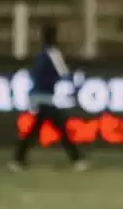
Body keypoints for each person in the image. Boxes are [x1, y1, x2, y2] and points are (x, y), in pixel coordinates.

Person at [10, 24, 87, 172]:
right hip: (45, 97)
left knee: (37, 128)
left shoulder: (41, 54)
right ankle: (77, 158)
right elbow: (64, 73)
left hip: (38, 96)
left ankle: (18, 159)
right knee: (59, 127)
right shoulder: (54, 54)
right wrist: (77, 77)